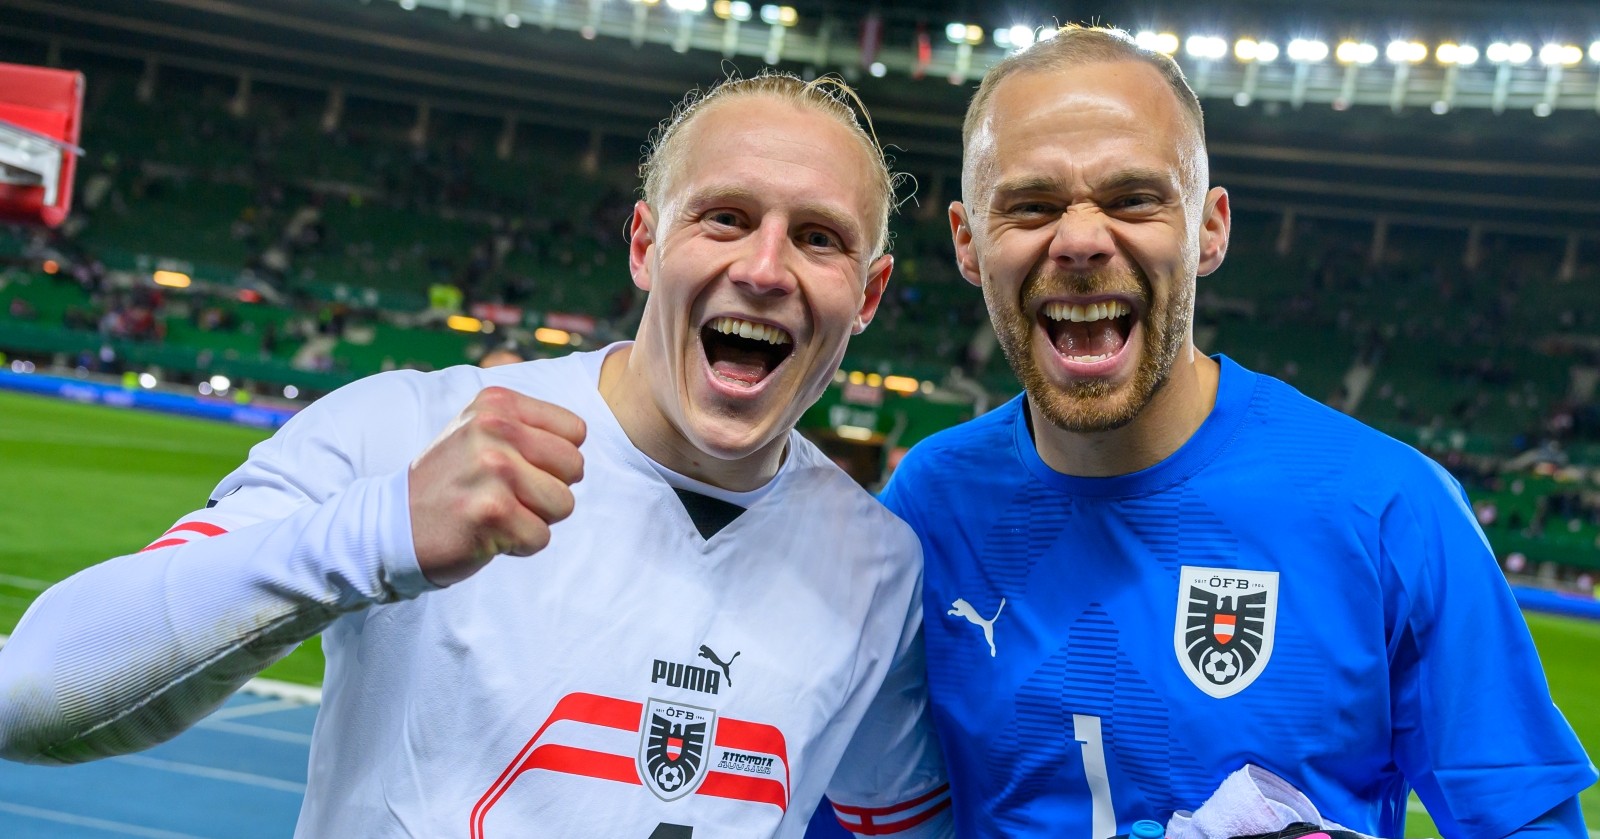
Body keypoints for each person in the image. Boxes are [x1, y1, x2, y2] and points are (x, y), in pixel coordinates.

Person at [0, 73, 952, 838]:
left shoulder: (878, 568)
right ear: (643, 244)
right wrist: (380, 531)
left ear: (868, 297)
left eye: (818, 238)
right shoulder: (407, 431)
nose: (764, 267)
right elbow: (32, 697)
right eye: (724, 217)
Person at [881, 24, 1595, 839]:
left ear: (1210, 228)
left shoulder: (1391, 511)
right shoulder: (924, 508)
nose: (1079, 239)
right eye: (1032, 205)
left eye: (1134, 198)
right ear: (968, 243)